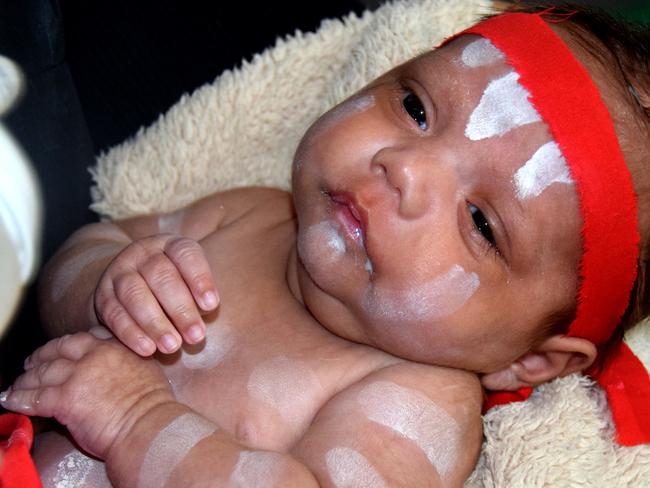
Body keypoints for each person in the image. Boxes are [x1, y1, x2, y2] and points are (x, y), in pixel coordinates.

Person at [2, 2, 650, 486]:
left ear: (528, 365)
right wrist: (109, 281)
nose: (404, 166)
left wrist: (135, 421)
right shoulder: (251, 214)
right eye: (416, 108)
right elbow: (68, 261)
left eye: (481, 221)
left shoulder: (419, 401)